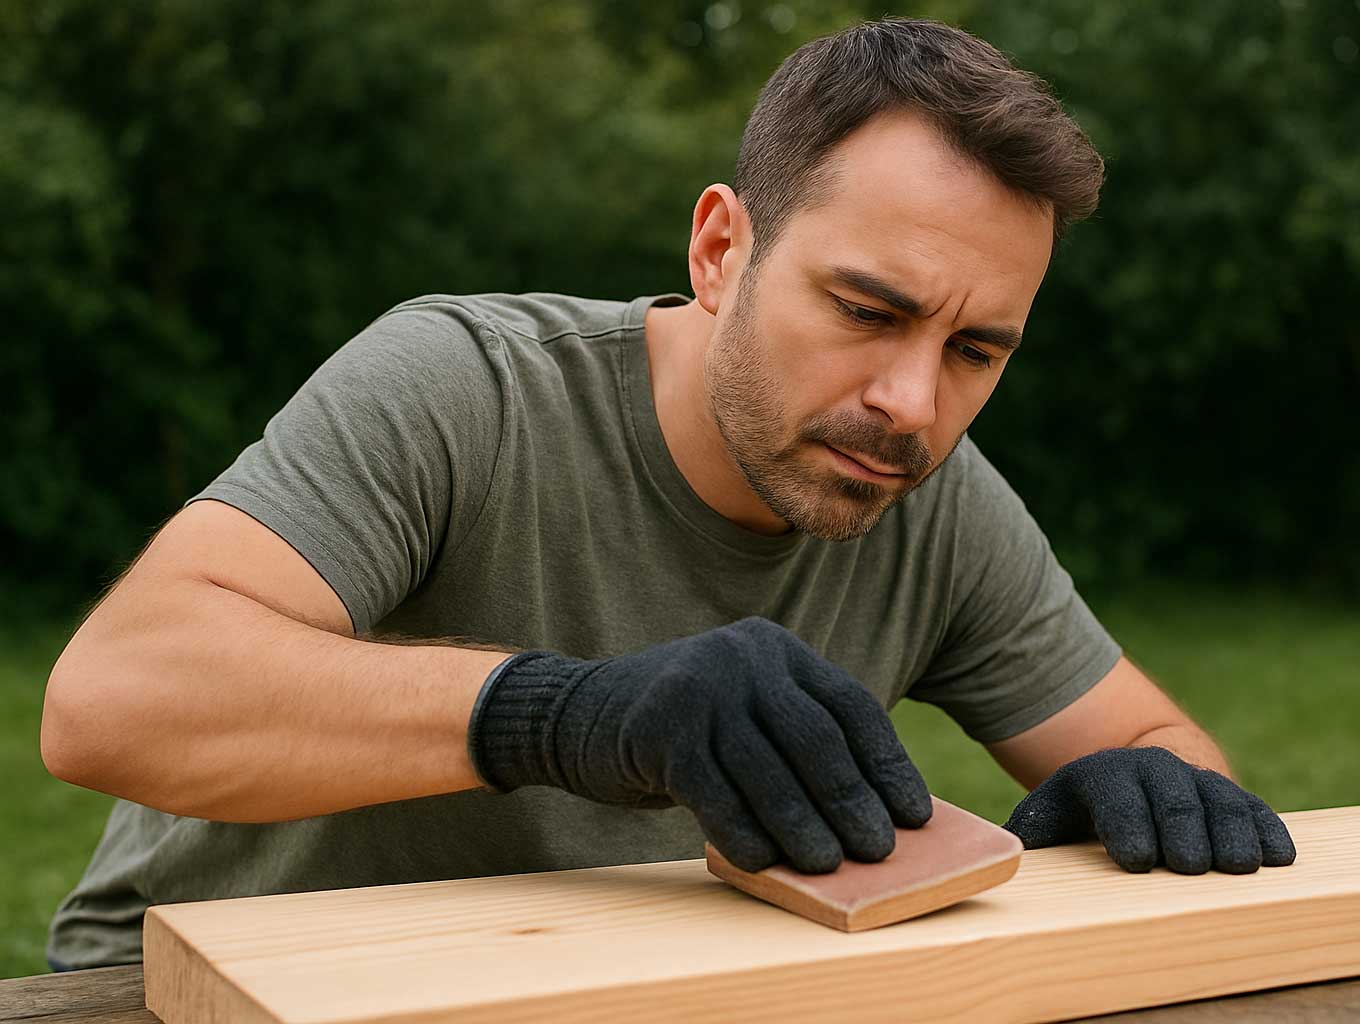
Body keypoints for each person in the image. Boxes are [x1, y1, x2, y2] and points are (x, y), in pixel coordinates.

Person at [38, 17, 1295, 971]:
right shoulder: (465, 386)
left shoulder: (935, 500)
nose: (914, 404)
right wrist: (567, 714)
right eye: (869, 310)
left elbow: (1164, 749)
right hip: (210, 987)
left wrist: (1132, 794)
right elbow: (112, 701)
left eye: (977, 352)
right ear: (719, 248)